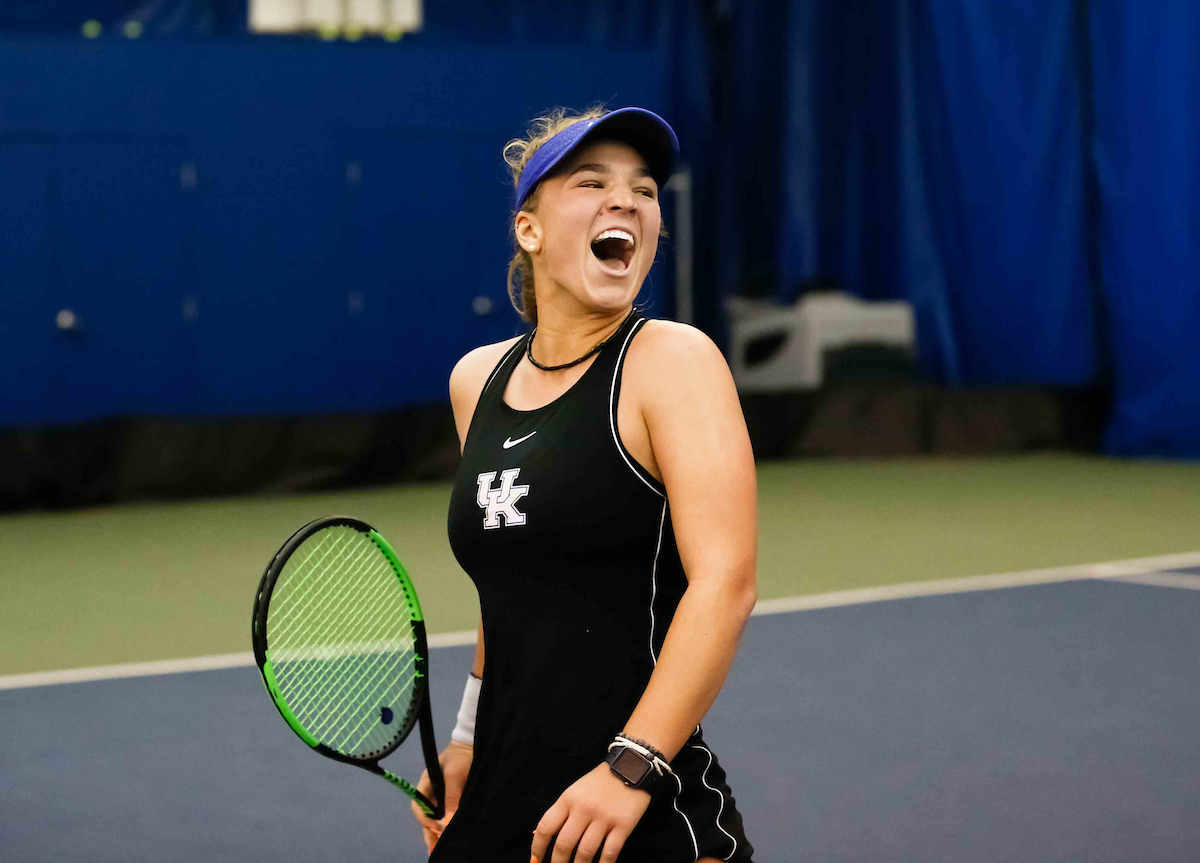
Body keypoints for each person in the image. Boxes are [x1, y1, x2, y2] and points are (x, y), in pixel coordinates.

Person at [411, 106, 758, 863]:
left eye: (643, 189)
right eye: (591, 181)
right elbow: (505, 589)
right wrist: (467, 735)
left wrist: (631, 767)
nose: (626, 200)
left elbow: (725, 583)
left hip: (637, 804)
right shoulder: (478, 380)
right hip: (501, 795)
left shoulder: (672, 361)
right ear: (529, 229)